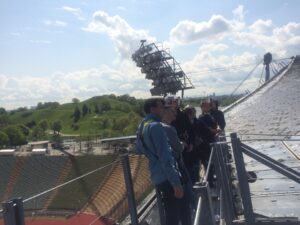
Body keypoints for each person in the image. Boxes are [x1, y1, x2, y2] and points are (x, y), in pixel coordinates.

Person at [136, 97, 188, 225]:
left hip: (157, 176)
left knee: (170, 212)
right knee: (179, 213)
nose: (164, 109)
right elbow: (166, 158)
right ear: (153, 109)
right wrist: (176, 183)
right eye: (161, 106)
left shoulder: (143, 126)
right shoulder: (156, 127)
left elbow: (138, 148)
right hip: (168, 177)